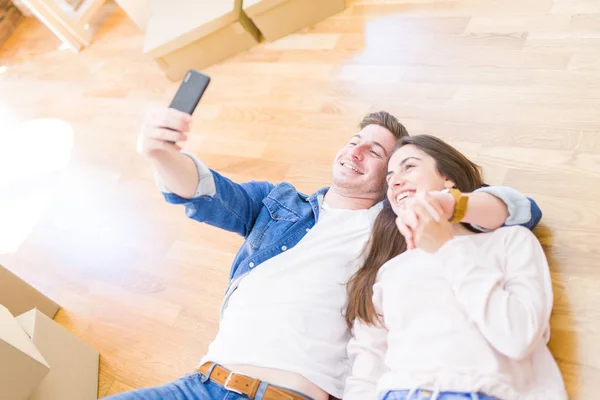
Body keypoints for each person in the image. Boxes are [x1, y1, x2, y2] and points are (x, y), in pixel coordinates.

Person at [106, 108, 542, 400]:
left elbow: (520, 210)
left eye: (377, 154)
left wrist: (451, 203)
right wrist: (159, 153)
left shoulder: (397, 229)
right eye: (355, 140)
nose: (355, 152)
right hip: (200, 384)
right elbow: (204, 193)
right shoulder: (278, 206)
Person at [344, 135, 566, 400]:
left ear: (448, 178)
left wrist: (446, 247)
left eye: (409, 167)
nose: (395, 181)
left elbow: (517, 338)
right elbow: (366, 370)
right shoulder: (388, 271)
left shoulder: (509, 241)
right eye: (390, 177)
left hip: (479, 391)